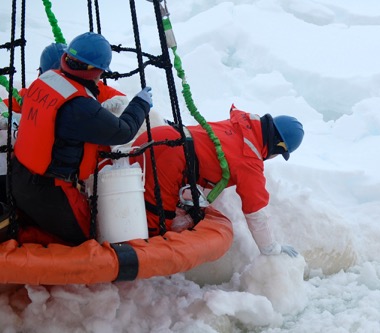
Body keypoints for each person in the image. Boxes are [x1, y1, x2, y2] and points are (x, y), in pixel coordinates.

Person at [11, 32, 153, 245]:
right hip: (50, 193)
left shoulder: (45, 81)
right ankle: (28, 242)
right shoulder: (80, 106)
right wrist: (140, 104)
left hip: (19, 178)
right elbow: (123, 131)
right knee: (88, 239)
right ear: (98, 71)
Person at [131, 104, 304, 257]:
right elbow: (255, 212)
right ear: (277, 147)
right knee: (155, 227)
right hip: (169, 158)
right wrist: (271, 248)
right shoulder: (250, 160)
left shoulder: (241, 125)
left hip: (158, 137)